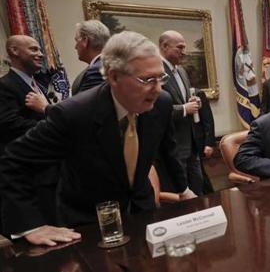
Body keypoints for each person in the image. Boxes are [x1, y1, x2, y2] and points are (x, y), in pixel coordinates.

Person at [0, 31, 195, 246]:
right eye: (147, 80)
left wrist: (183, 190)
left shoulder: (162, 103)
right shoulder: (74, 113)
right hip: (89, 225)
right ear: (113, 77)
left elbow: (168, 149)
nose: (158, 89)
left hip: (143, 216)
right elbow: (14, 161)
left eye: (161, 78)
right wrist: (31, 224)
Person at [0, 35, 56, 231]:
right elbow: (9, 124)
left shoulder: (38, 84)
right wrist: (52, 126)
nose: (40, 54)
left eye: (40, 49)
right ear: (14, 51)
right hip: (26, 176)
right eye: (33, 49)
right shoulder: (5, 85)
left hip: (48, 172)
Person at [158, 30, 204, 195]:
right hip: (173, 145)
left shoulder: (182, 71)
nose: (184, 52)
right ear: (164, 46)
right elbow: (156, 109)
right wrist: (184, 109)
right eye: (180, 47)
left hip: (191, 143)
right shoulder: (156, 72)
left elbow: (183, 99)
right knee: (182, 195)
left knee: (198, 189)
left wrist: (192, 102)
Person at [71, 20, 110, 95]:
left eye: (77, 41)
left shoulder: (97, 70)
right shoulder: (104, 64)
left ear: (85, 41)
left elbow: (81, 105)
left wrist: (45, 106)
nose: (75, 47)